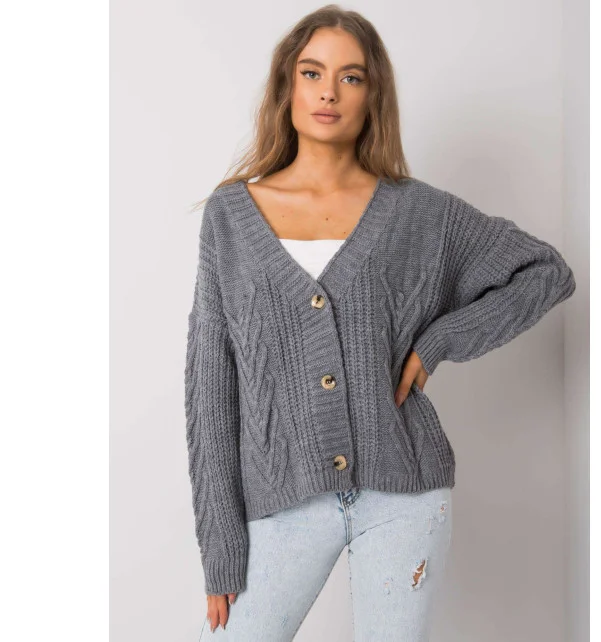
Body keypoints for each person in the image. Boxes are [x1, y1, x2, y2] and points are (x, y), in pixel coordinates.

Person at [184, 5, 576, 641]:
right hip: (281, 501)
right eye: (312, 73)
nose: (329, 92)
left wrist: (440, 340)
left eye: (351, 77)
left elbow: (546, 272)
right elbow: (210, 386)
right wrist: (221, 542)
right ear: (287, 85)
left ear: (373, 96)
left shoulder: (419, 214)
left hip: (404, 495)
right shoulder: (231, 216)